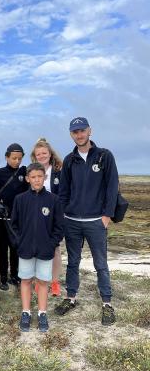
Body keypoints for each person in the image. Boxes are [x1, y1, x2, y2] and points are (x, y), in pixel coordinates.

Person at [55, 117, 119, 326]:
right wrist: (63, 215)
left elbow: (112, 186)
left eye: (82, 130)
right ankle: (70, 298)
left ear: (90, 131)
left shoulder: (104, 156)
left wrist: (107, 215)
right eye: (75, 132)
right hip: (72, 221)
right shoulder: (69, 160)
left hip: (96, 221)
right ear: (71, 134)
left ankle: (107, 303)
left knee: (101, 263)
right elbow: (63, 191)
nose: (79, 135)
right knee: (73, 262)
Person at [12, 163, 64, 332]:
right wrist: (20, 242)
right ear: (28, 179)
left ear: (45, 177)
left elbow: (59, 227)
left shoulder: (53, 200)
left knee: (43, 281)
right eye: (33, 177)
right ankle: (26, 312)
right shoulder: (20, 199)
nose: (36, 180)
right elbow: (14, 226)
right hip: (25, 249)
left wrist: (51, 243)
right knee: (26, 280)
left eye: (39, 177)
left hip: (45, 250)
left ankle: (42, 313)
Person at [0, 143, 29, 290]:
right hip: (1, 219)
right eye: (14, 158)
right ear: (7, 157)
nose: (17, 161)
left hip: (17, 219)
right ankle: (3, 277)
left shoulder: (24, 172)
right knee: (2, 249)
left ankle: (15, 275)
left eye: (19, 158)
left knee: (15, 248)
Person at [30, 138, 63, 296]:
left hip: (53, 215)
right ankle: (39, 281)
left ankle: (55, 282)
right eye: (38, 154)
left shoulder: (59, 171)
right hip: (36, 215)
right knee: (36, 249)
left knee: (55, 249)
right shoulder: (31, 171)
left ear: (50, 154)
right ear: (34, 156)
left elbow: (64, 194)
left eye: (44, 153)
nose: (42, 156)